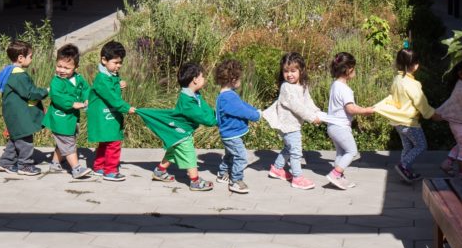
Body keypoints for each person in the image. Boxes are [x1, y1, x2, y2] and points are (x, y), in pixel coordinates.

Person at [138, 62, 216, 191]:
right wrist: (216, 121)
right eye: (202, 77)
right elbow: (202, 117)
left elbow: (205, 109)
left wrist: (215, 115)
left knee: (173, 152)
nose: (204, 79)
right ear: (195, 80)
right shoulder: (187, 102)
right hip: (181, 132)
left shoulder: (195, 95)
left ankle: (160, 171)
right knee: (189, 154)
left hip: (181, 131)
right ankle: (195, 181)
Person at [373, 46, 439, 183]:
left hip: (397, 121)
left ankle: (405, 169)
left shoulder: (397, 79)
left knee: (408, 147)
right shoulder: (412, 84)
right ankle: (403, 166)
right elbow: (421, 102)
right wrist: (431, 114)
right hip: (409, 122)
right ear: (414, 65)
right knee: (421, 146)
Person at [262, 51, 324, 190]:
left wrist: (317, 111)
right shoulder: (286, 87)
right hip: (288, 125)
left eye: (293, 71)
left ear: (301, 70)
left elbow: (307, 101)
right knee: (296, 151)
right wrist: (312, 118)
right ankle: (297, 178)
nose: (289, 74)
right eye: (286, 71)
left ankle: (277, 169)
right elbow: (296, 107)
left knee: (289, 148)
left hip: (294, 124)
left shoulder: (302, 85)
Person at [0, 39, 48, 176]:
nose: (31, 59)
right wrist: (45, 91)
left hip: (13, 113)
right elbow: (30, 93)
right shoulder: (19, 75)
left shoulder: (9, 71)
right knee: (25, 140)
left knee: (16, 137)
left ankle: (6, 162)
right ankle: (25, 164)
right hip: (20, 115)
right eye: (30, 56)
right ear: (20, 58)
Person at [86, 40, 136, 182]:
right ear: (104, 60)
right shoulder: (102, 79)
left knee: (105, 141)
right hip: (105, 116)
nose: (118, 66)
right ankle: (111, 170)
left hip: (106, 115)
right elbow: (112, 98)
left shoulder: (109, 76)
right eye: (115, 62)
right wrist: (127, 108)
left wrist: (119, 84)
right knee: (114, 142)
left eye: (120, 63)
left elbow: (111, 89)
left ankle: (99, 166)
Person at [325, 52, 375, 190]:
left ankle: (339, 177)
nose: (355, 71)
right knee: (352, 152)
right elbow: (350, 109)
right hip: (341, 127)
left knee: (341, 153)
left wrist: (364, 108)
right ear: (348, 69)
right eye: (354, 68)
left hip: (332, 127)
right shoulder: (346, 89)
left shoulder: (335, 85)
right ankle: (335, 174)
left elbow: (348, 106)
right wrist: (366, 111)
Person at [44, 43, 94, 180]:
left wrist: (87, 99)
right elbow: (57, 97)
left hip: (71, 118)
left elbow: (85, 89)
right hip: (60, 118)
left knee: (64, 142)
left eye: (67, 68)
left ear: (75, 68)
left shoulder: (78, 78)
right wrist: (72, 103)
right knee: (68, 143)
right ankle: (76, 169)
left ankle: (55, 164)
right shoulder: (56, 82)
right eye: (59, 66)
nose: (62, 70)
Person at [214, 59, 261, 195]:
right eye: (240, 77)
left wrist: (255, 110)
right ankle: (235, 180)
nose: (241, 80)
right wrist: (255, 116)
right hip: (231, 134)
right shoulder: (228, 97)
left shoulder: (227, 95)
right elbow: (241, 110)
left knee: (230, 155)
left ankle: (222, 174)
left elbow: (242, 105)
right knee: (241, 156)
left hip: (229, 134)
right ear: (233, 79)